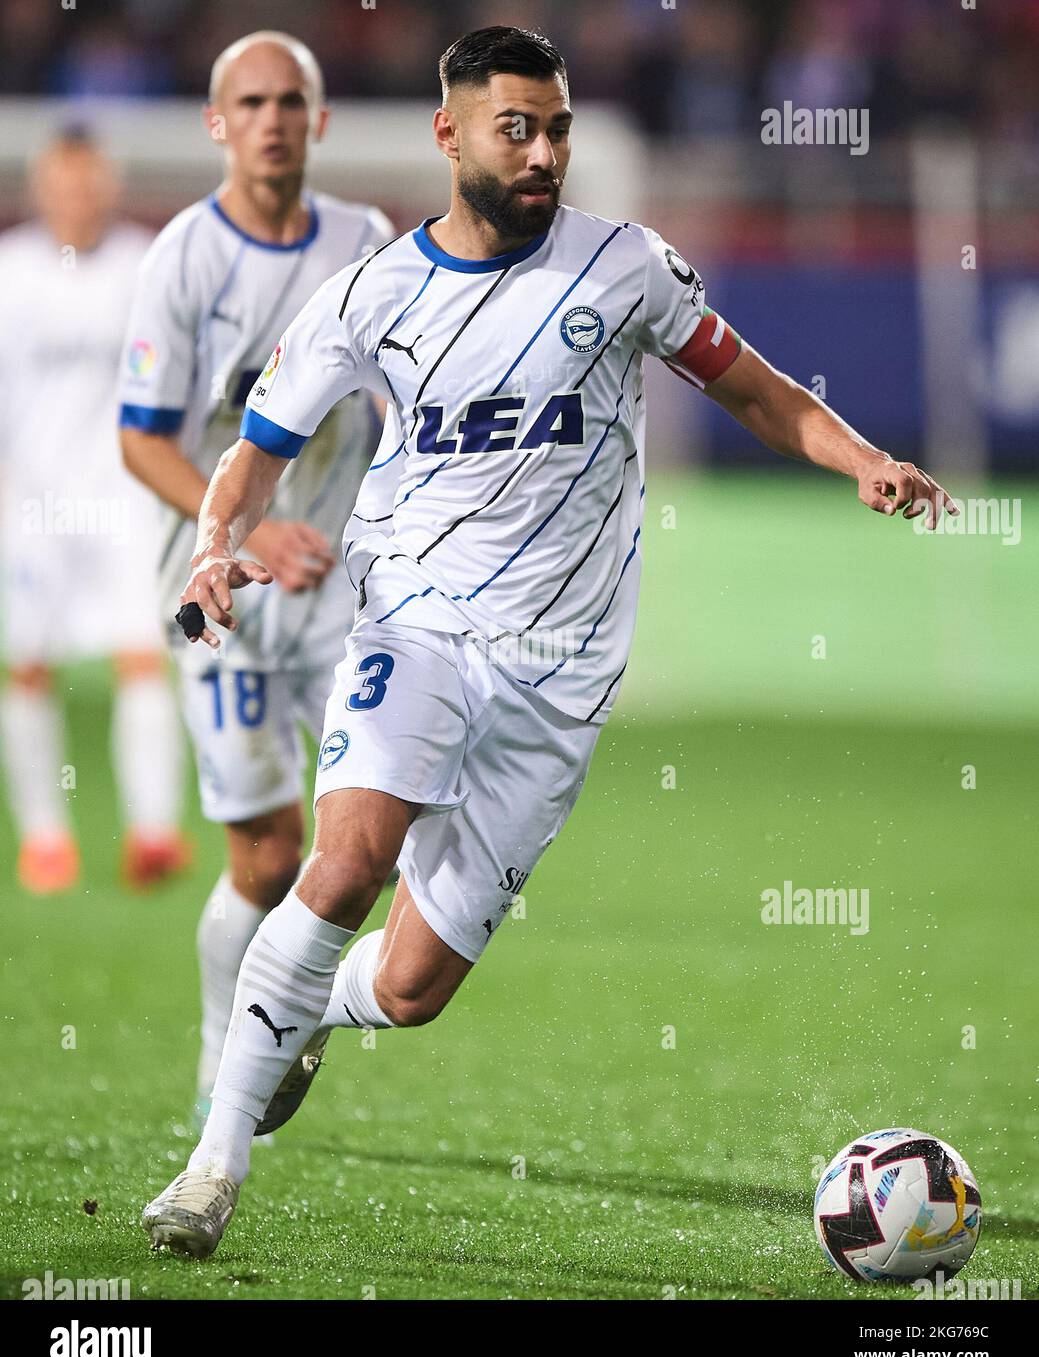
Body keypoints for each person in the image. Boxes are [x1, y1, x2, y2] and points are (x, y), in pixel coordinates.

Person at [141, 25, 956, 1257]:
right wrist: (216, 546)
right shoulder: (373, 295)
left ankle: (312, 1007)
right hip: (414, 618)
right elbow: (254, 452)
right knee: (349, 852)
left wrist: (863, 460)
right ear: (450, 133)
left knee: (409, 991)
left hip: (559, 678)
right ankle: (213, 1166)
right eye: (515, 127)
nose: (543, 151)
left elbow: (750, 384)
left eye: (558, 126)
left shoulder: (625, 268)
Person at [118, 31, 393, 1130]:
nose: (274, 118)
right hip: (217, 600)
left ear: (319, 121)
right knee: (271, 852)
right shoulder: (183, 257)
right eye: (253, 101)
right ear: (218, 122)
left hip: (339, 600)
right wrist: (247, 529)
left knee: (376, 844)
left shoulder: (366, 242)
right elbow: (140, 440)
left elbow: (396, 402)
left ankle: (307, 1010)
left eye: (293, 101)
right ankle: (218, 1054)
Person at [0, 129, 186, 893]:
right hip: (31, 498)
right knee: (29, 666)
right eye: (63, 184)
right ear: (41, 191)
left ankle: (153, 834)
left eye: (89, 184)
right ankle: (46, 839)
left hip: (124, 496)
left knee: (143, 656)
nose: (78, 198)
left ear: (109, 188)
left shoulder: (145, 266)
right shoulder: (10, 272)